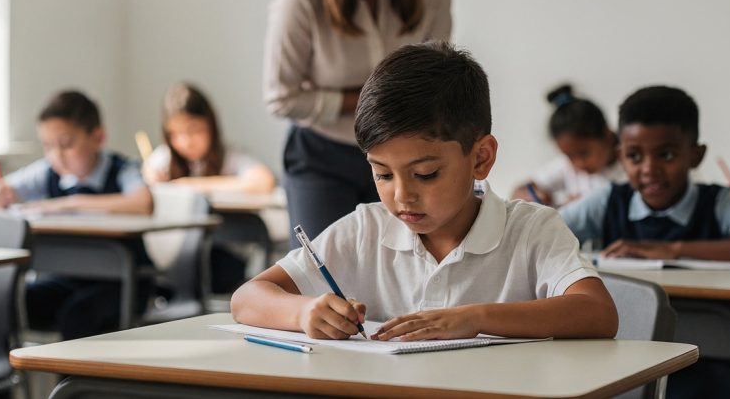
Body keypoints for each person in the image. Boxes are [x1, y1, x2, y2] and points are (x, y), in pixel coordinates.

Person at [233, 42, 618, 342]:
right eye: (383, 175)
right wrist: (303, 313)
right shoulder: (365, 230)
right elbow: (248, 298)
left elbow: (598, 313)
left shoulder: (532, 231)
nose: (402, 196)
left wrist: (475, 318)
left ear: (480, 158)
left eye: (426, 174)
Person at [560, 85, 730, 399]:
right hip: (622, 358)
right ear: (620, 156)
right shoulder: (610, 199)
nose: (649, 169)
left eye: (666, 154)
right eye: (634, 156)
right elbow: (543, 235)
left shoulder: (719, 202)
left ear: (696, 155)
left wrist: (672, 250)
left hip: (706, 360)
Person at [263, 0, 452, 247]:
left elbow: (434, 77)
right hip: (323, 156)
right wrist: (371, 99)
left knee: (413, 267)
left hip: (407, 153)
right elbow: (280, 97)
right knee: (321, 278)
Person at [0, 90, 153, 340]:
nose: (56, 155)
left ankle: (71, 381)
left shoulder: (121, 169)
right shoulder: (47, 172)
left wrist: (69, 204)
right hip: (67, 280)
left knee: (78, 317)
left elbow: (142, 202)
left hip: (123, 284)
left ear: (97, 137)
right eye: (48, 146)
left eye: (66, 144)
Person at [143, 82, 275, 193]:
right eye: (174, 134)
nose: (186, 142)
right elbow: (148, 174)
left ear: (210, 125)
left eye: (193, 130)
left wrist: (191, 185)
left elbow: (265, 181)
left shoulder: (229, 156)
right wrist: (151, 177)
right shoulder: (164, 158)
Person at [512, 84, 623, 207]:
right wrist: (533, 197)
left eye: (584, 153)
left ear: (607, 135)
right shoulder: (567, 166)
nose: (579, 163)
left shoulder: (627, 169)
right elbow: (520, 191)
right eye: (569, 156)